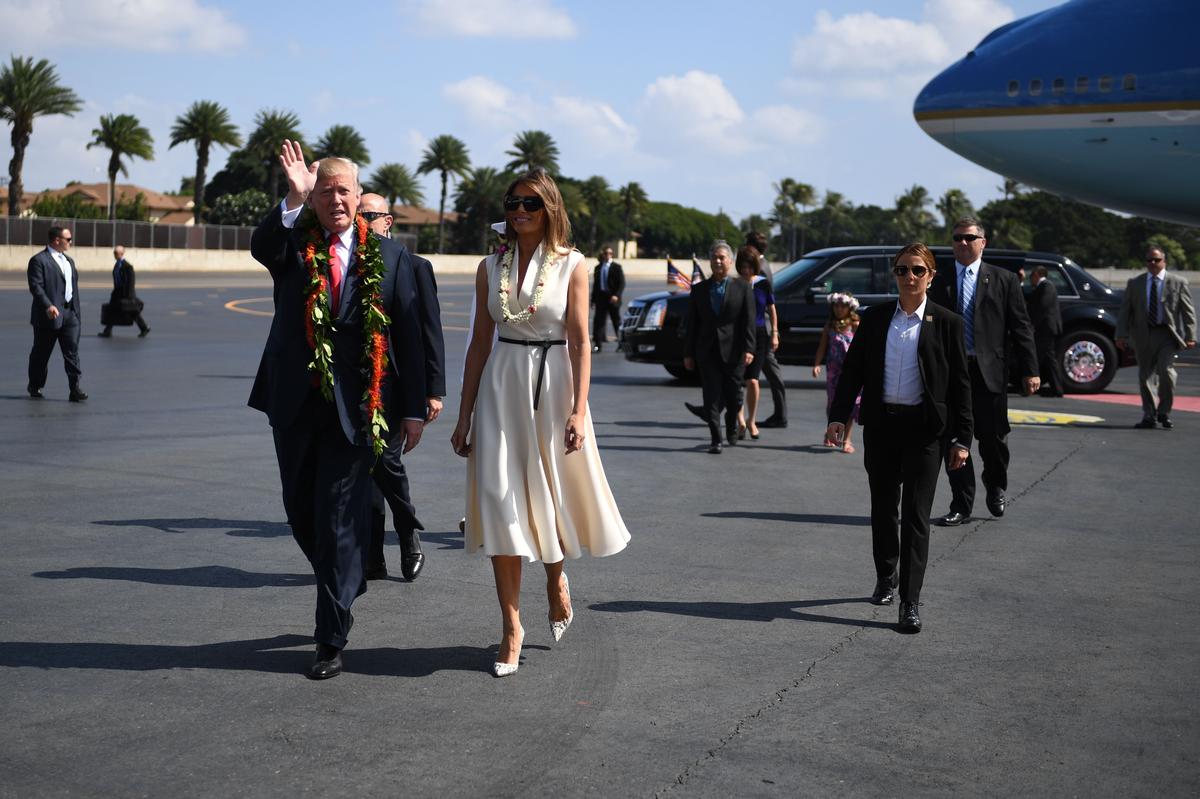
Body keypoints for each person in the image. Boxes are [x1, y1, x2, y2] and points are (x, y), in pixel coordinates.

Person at [248, 141, 428, 680]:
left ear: (359, 194)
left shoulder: (392, 259)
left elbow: (410, 338)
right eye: (324, 192)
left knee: (337, 519)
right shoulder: (294, 243)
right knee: (300, 514)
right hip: (296, 405)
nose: (336, 200)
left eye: (343, 191)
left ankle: (330, 637)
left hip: (359, 411)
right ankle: (345, 575)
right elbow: (262, 246)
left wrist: (413, 409)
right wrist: (292, 197)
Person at [451, 170, 630, 678]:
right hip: (501, 384)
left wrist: (578, 410)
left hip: (553, 386)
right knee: (497, 499)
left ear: (549, 208)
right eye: (512, 203)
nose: (520, 211)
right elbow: (479, 343)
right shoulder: (489, 267)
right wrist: (464, 414)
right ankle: (511, 627)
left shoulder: (573, 264)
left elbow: (580, 341)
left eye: (530, 203)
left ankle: (555, 578)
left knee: (549, 496)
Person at [826, 243, 972, 634]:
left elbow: (961, 385)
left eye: (918, 270)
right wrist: (838, 417)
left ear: (931, 276)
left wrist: (962, 439)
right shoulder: (875, 319)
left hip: (925, 432)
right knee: (884, 509)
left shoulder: (947, 322)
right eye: (903, 269)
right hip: (882, 427)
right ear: (895, 274)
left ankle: (910, 601)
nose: (910, 277)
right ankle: (885, 576)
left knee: (916, 517)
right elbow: (853, 371)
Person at [358, 192, 446, 582]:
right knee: (367, 468)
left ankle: (408, 531)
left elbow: (428, 332)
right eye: (358, 216)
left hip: (396, 387)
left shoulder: (415, 266)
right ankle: (373, 554)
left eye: (369, 216)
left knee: (385, 462)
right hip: (357, 387)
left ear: (387, 221)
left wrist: (433, 391)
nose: (362, 223)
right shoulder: (349, 261)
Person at [929, 218, 1037, 526]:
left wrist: (1030, 370)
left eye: (969, 238)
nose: (963, 243)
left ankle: (996, 484)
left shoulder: (1004, 279)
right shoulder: (940, 279)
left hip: (989, 372)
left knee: (993, 439)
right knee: (953, 439)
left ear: (982, 242)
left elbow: (1021, 327)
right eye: (957, 238)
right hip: (951, 373)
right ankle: (961, 505)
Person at [683, 240, 756, 453]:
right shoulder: (698, 290)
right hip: (707, 352)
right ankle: (716, 439)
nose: (717, 261)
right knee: (711, 396)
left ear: (730, 261)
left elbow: (748, 321)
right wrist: (688, 353)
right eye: (714, 257)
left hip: (734, 352)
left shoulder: (742, 287)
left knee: (734, 397)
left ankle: (731, 424)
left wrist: (749, 348)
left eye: (722, 257)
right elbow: (692, 324)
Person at [1116, 246, 1197, 429]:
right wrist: (1121, 334)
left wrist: (1190, 335)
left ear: (1164, 261)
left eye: (1157, 260)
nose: (1153, 263)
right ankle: (1149, 414)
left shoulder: (1178, 282)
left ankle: (1164, 411)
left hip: (1167, 334)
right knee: (1145, 376)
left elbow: (1188, 311)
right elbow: (1125, 311)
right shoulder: (1135, 283)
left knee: (1166, 372)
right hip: (1143, 335)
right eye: (1149, 260)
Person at [27, 226, 86, 402]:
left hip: (70, 314)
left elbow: (73, 287)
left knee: (72, 352)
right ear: (57, 240)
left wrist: (75, 312)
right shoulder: (39, 260)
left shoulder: (69, 261)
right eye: (68, 239)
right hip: (48, 316)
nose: (71, 242)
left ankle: (75, 389)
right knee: (41, 354)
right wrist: (48, 305)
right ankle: (35, 385)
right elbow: (36, 287)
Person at [734, 246, 777, 440]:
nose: (746, 270)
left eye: (749, 266)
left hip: (759, 335)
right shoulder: (733, 284)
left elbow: (771, 309)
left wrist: (775, 333)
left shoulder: (763, 284)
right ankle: (740, 421)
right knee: (737, 380)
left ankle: (751, 420)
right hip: (737, 336)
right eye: (743, 266)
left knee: (752, 380)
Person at [745, 231, 787, 428]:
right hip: (763, 327)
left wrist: (774, 332)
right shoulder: (764, 264)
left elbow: (766, 303)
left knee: (769, 372)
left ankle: (781, 414)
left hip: (762, 328)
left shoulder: (759, 269)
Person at [813, 292, 861, 453]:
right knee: (833, 403)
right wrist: (817, 364)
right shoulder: (830, 325)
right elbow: (822, 346)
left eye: (843, 306)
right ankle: (831, 433)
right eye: (836, 306)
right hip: (833, 370)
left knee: (851, 403)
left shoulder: (855, 324)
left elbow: (864, 346)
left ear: (850, 308)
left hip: (851, 370)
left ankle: (846, 439)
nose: (839, 309)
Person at [1026, 265, 1063, 397]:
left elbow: (1043, 307)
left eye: (1031, 276)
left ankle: (1054, 388)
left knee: (1044, 357)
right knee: (1047, 358)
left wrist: (1032, 325)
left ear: (1037, 274)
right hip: (1045, 328)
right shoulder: (1043, 287)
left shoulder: (1046, 286)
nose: (1031, 279)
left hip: (1045, 328)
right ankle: (1056, 388)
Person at [98, 245, 150, 338]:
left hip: (126, 293)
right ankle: (107, 331)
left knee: (132, 311)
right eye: (114, 253)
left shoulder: (127, 266)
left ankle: (144, 328)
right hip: (117, 293)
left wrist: (129, 296)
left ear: (121, 254)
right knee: (112, 310)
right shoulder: (117, 265)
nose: (114, 255)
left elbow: (131, 282)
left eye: (116, 253)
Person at [591, 246, 624, 352]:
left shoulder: (617, 267)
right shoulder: (598, 267)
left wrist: (616, 295)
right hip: (601, 298)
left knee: (616, 322)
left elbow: (621, 283)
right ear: (603, 254)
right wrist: (593, 300)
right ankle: (598, 345)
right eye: (606, 253)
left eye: (610, 253)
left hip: (613, 298)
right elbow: (596, 285)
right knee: (599, 322)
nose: (608, 255)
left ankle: (621, 344)